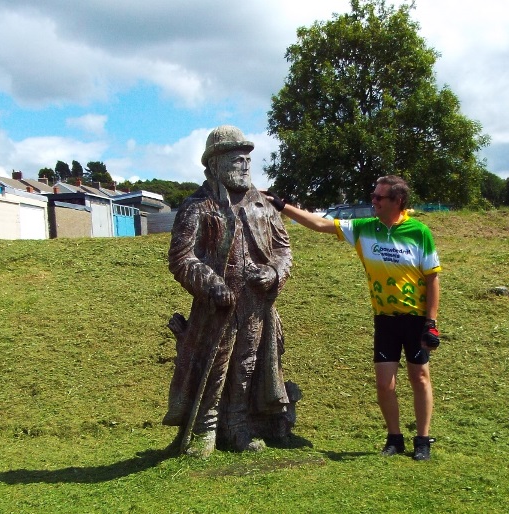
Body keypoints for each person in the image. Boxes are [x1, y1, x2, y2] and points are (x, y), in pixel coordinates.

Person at [264, 175, 441, 461]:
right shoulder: (363, 229)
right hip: (385, 319)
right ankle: (394, 438)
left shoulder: (419, 232)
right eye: (373, 196)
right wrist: (282, 205)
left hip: (416, 318)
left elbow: (433, 279)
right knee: (385, 383)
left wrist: (431, 323)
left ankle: (423, 440)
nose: (373, 201)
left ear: (397, 201)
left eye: (378, 198)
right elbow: (321, 223)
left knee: (419, 377)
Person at [163, 125, 298, 458]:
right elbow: (181, 257)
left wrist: (274, 272)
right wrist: (211, 285)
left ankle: (238, 425)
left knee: (247, 365)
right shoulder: (198, 205)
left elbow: (284, 249)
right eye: (236, 159)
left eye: (247, 159)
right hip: (216, 306)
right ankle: (205, 428)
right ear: (214, 164)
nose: (245, 165)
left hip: (255, 304)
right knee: (214, 364)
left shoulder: (263, 205)